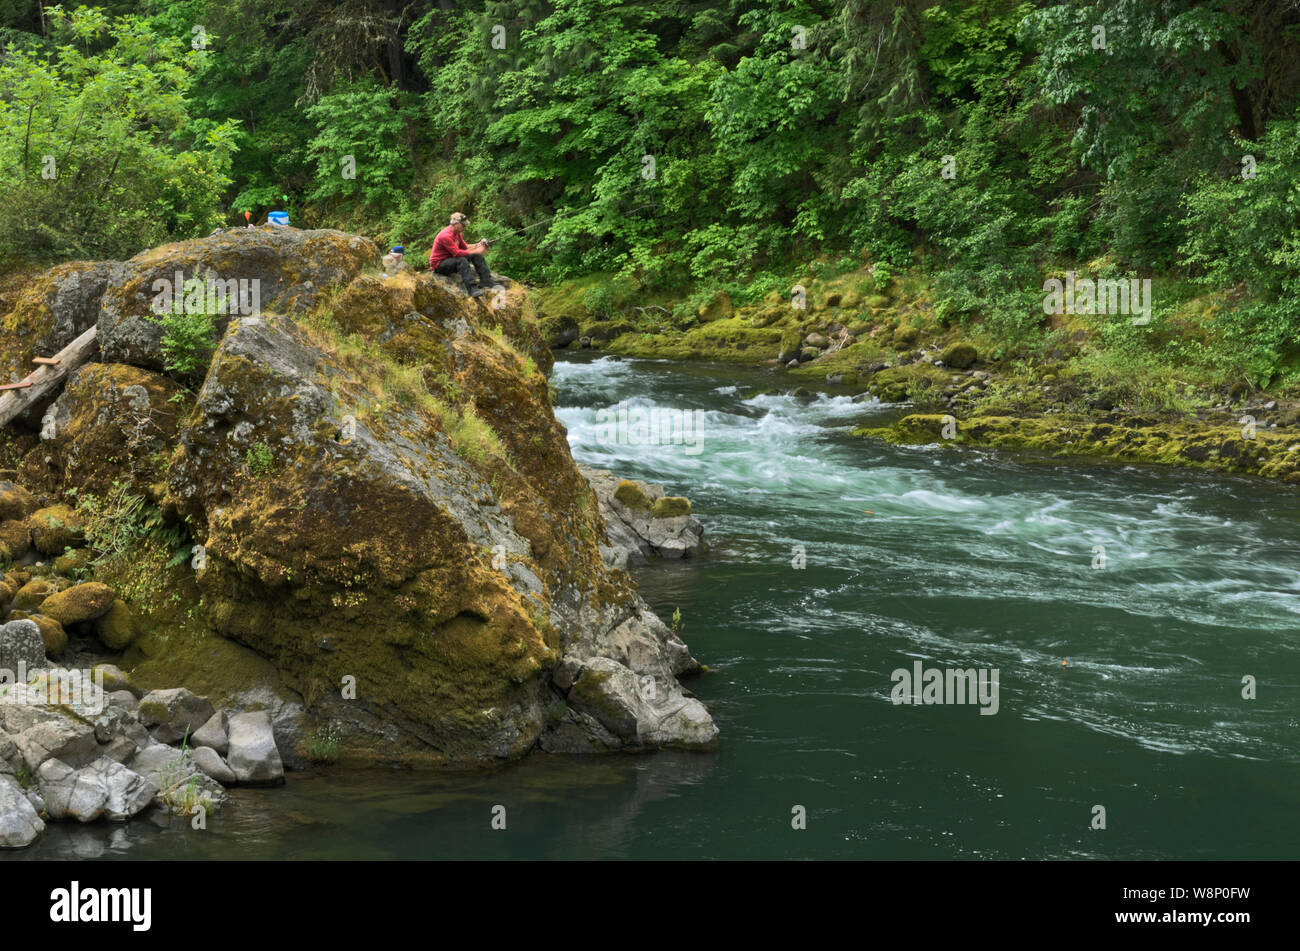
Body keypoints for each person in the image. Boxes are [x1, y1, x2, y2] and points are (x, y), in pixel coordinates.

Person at [429, 212, 493, 297]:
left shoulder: (458, 233)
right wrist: (476, 250)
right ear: (455, 224)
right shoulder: (445, 236)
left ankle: (486, 281)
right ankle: (472, 290)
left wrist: (478, 245)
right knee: (461, 260)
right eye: (463, 225)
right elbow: (457, 253)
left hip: (450, 259)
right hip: (439, 265)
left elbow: (464, 247)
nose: (465, 227)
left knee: (475, 255)